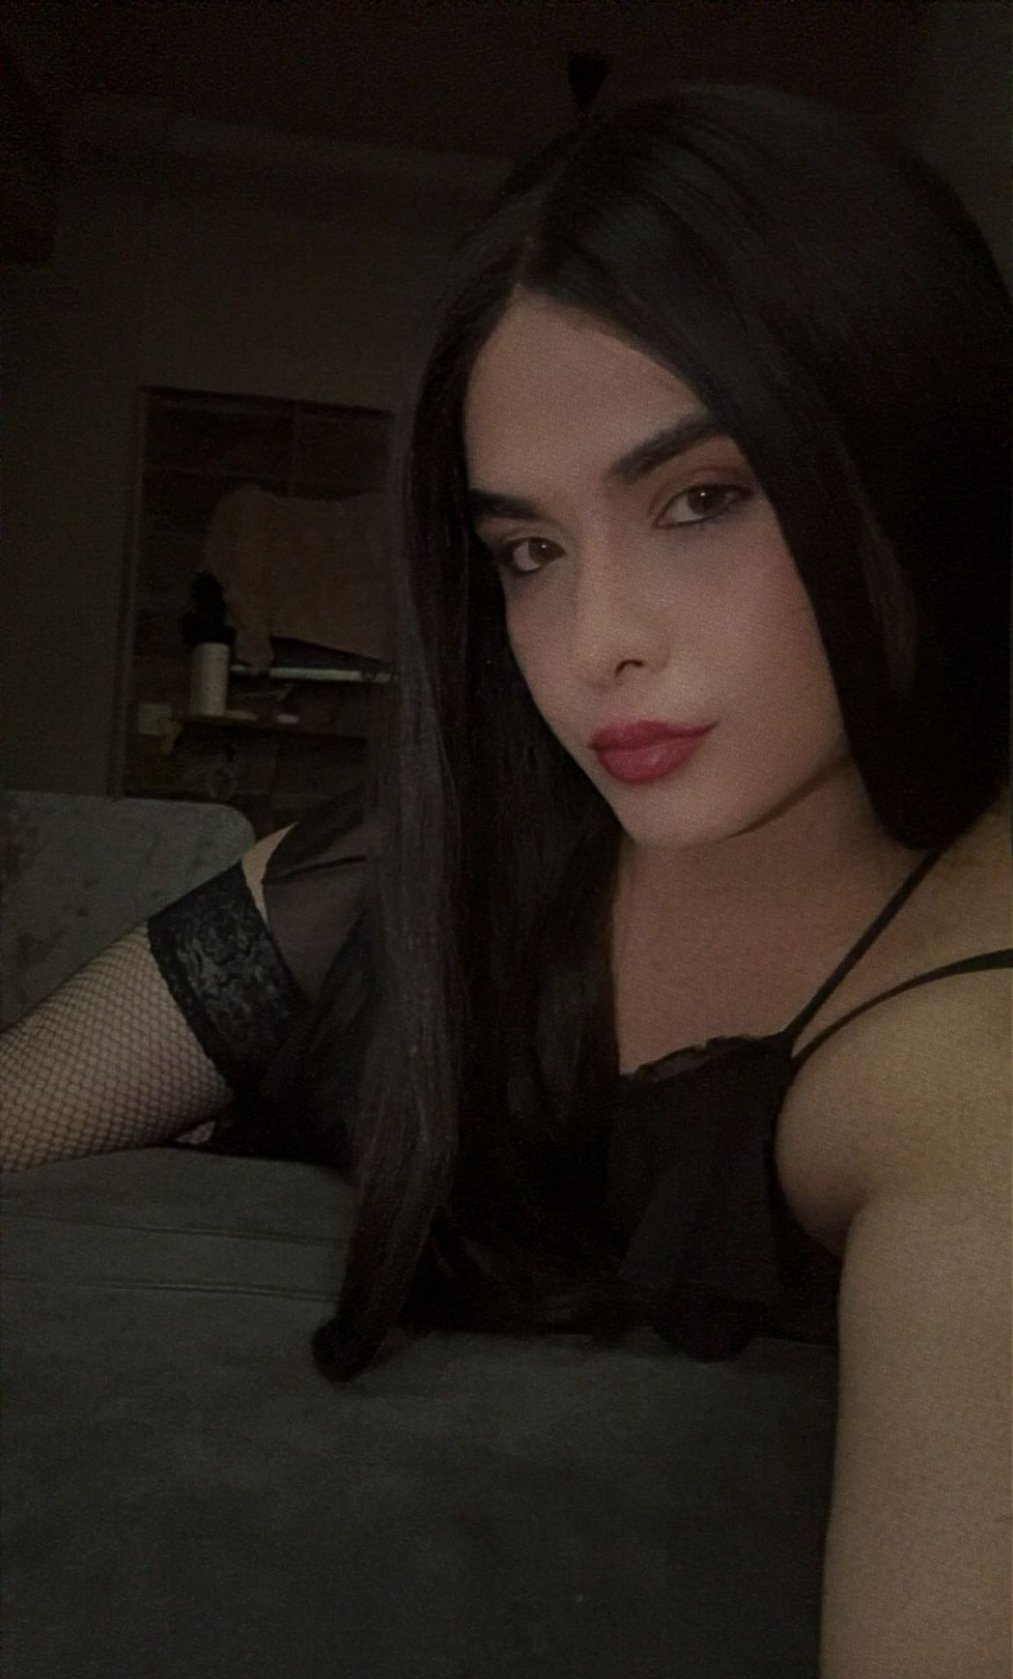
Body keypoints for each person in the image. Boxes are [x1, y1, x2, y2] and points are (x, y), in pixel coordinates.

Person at [1, 82, 1009, 1396]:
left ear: (915, 467)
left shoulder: (967, 1051)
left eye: (701, 499)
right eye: (529, 550)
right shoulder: (384, 873)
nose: (593, 643)